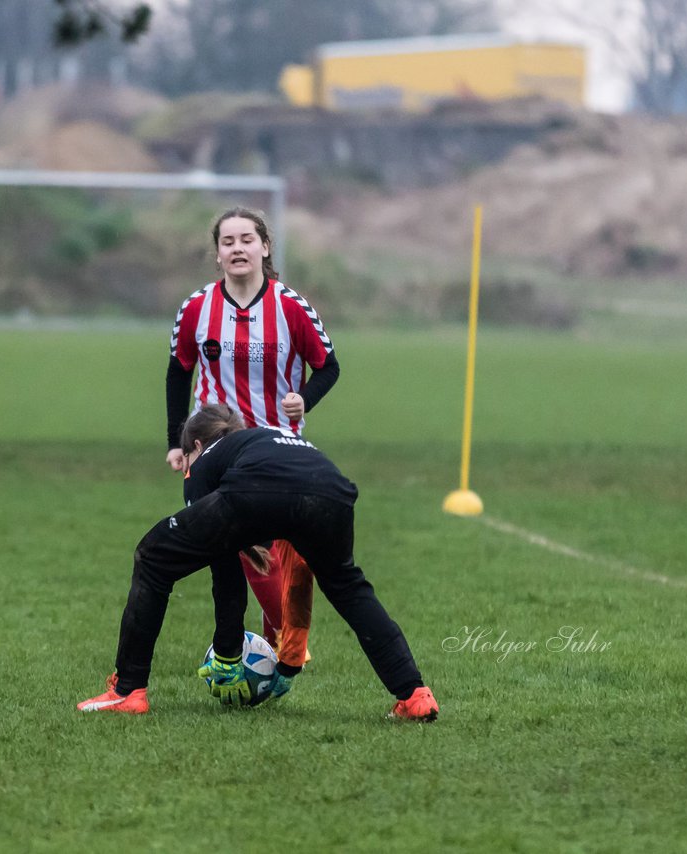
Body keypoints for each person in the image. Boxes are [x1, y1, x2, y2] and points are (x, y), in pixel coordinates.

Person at [78, 404, 439, 721]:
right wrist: (289, 659)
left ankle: (128, 690)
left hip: (265, 490)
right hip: (333, 491)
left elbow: (223, 563)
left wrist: (228, 654)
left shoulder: (205, 464)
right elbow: (298, 572)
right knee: (348, 588)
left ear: (197, 447)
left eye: (186, 460)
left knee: (153, 557)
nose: (186, 469)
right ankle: (414, 694)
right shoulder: (263, 441)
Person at [164, 206, 339, 681]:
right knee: (245, 548)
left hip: (276, 447)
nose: (237, 248)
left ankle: (271, 652)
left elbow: (328, 366)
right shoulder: (197, 308)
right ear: (217, 253)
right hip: (212, 450)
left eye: (247, 239)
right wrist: (176, 441)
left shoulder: (291, 307)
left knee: (286, 555)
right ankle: (279, 646)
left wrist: (303, 398)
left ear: (265, 246)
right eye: (228, 241)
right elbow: (179, 373)